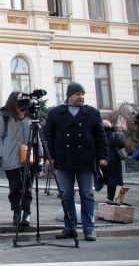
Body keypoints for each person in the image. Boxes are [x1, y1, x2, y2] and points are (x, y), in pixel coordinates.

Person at [44, 82, 108, 241]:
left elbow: (101, 137)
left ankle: (88, 228)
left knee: (86, 194)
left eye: (82, 94)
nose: (81, 97)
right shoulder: (55, 113)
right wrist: (48, 157)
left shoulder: (92, 113)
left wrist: (103, 156)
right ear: (69, 95)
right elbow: (48, 138)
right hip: (64, 160)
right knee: (66, 194)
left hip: (85, 159)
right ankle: (69, 227)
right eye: (78, 94)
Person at [0, 92, 38, 227]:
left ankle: (27, 212)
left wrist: (40, 155)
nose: (24, 101)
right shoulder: (5, 116)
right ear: (13, 100)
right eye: (20, 99)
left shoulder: (30, 115)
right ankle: (16, 212)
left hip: (29, 157)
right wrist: (2, 154)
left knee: (27, 186)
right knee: (15, 187)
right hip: (11, 157)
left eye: (25, 98)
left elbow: (36, 136)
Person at [102, 120, 125, 202]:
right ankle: (119, 199)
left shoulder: (100, 135)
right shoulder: (114, 134)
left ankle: (110, 198)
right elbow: (121, 144)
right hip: (115, 159)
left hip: (104, 160)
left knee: (109, 180)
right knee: (119, 180)